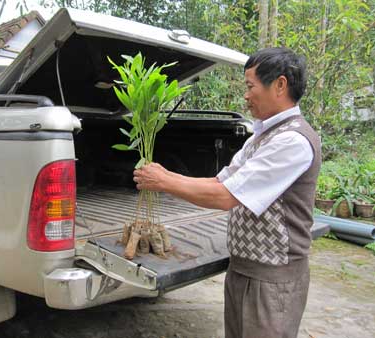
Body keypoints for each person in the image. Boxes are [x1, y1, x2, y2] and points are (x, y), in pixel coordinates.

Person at [133, 47, 321, 338]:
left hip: (272, 280)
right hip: (244, 270)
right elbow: (221, 183)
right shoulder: (262, 135)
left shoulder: (292, 141)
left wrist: (163, 182)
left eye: (250, 86)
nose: (245, 95)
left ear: (280, 85)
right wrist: (165, 175)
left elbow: (225, 197)